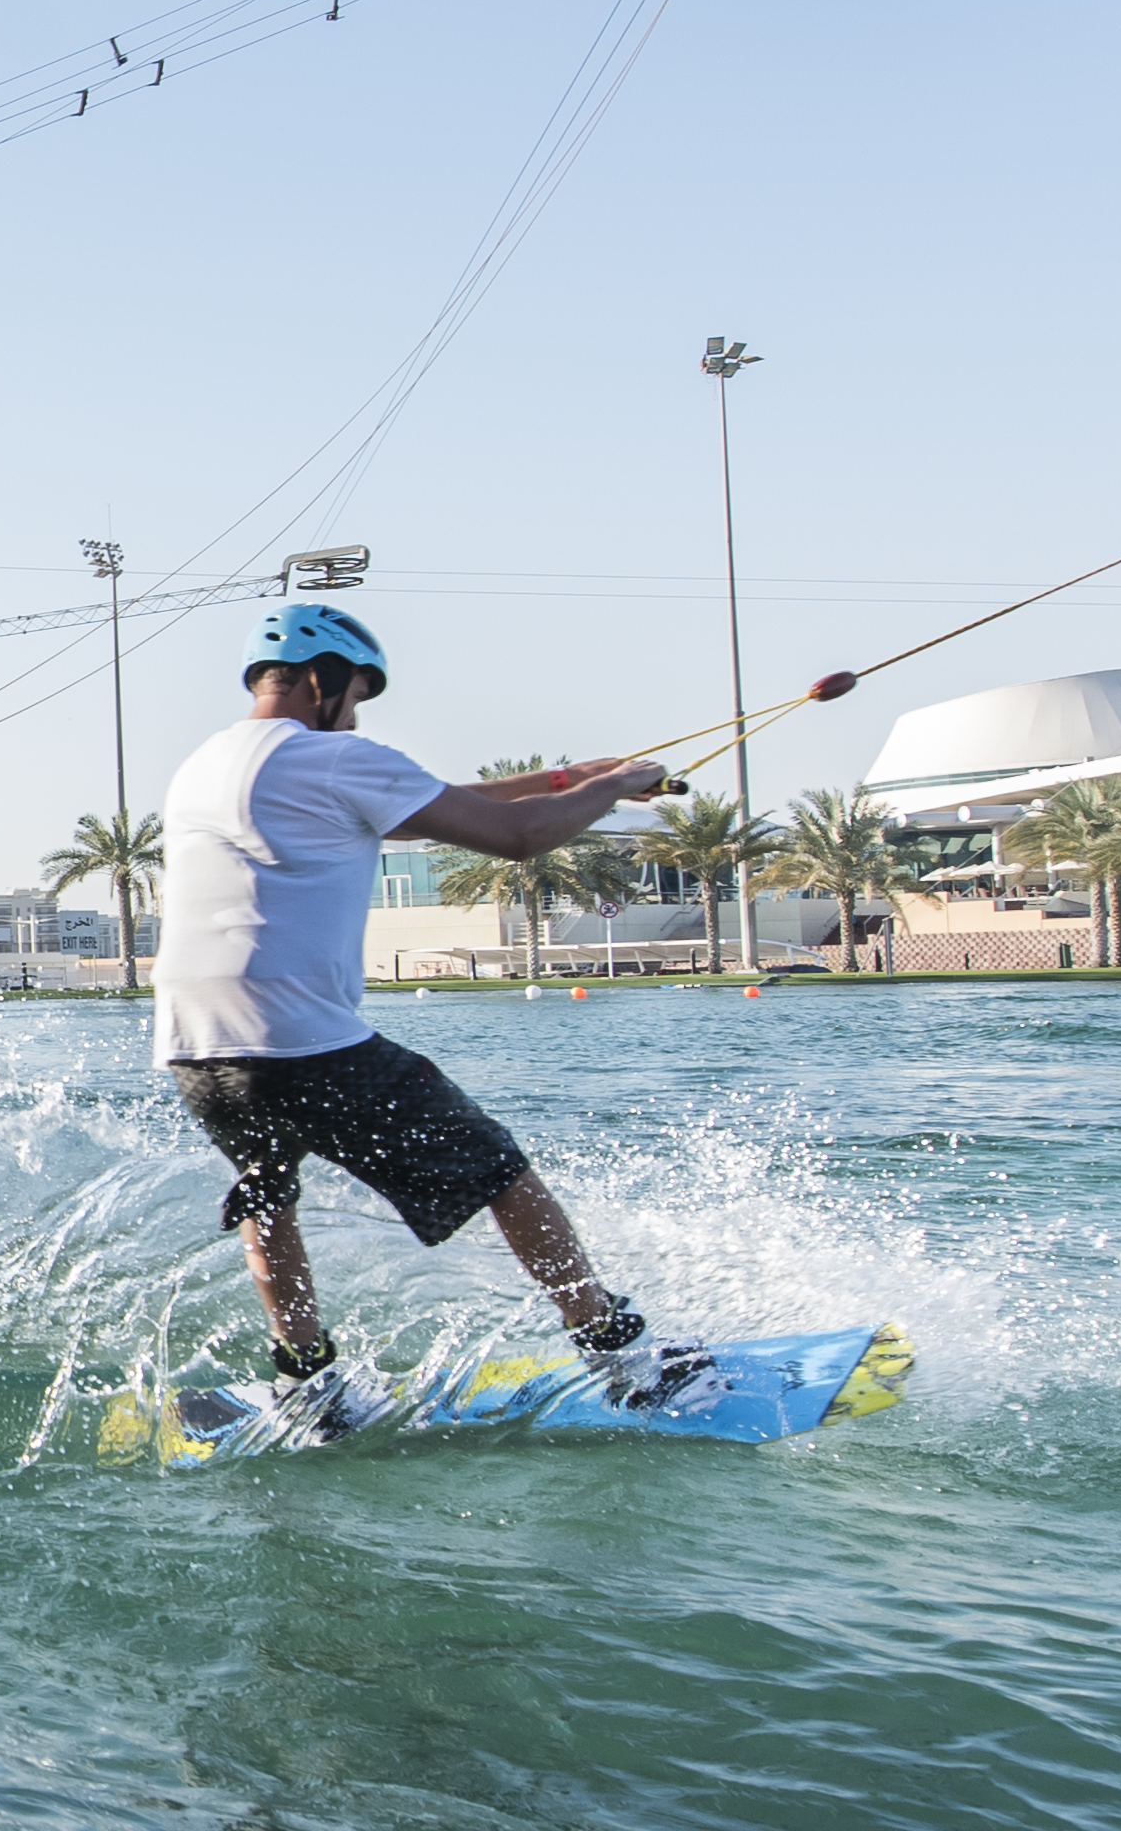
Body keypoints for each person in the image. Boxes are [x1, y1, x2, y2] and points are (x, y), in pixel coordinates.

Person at [152, 604, 714, 1435]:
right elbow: (515, 838)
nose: (356, 713)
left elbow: (435, 801)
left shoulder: (206, 762)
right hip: (303, 1042)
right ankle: (621, 1358)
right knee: (501, 1172)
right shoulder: (331, 755)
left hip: (196, 1043)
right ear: (323, 680)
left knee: (271, 1197)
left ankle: (310, 1384)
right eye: (358, 694)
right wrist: (613, 790)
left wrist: (565, 781)